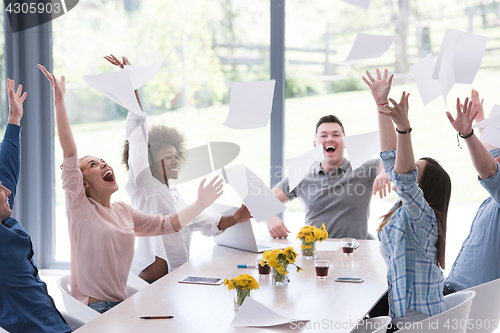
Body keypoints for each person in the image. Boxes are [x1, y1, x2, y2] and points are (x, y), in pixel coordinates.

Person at [38, 64, 224, 314]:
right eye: (93, 164)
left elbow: (166, 224)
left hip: (123, 304)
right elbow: (70, 152)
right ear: (82, 182)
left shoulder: (123, 211)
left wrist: (201, 203)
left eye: (103, 160)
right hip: (98, 309)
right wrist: (59, 101)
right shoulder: (79, 208)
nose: (103, 163)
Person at [104, 55, 251, 281]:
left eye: (176, 156)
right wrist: (132, 84)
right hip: (150, 281)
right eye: (167, 156)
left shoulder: (175, 196)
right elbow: (137, 132)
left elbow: (207, 223)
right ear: (152, 159)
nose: (175, 161)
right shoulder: (143, 184)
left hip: (176, 279)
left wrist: (237, 216)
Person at [364, 69, 451, 327]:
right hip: (406, 319)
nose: (408, 169)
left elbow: (402, 177)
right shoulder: (407, 210)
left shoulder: (424, 217)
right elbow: (392, 159)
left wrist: (404, 128)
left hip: (417, 326)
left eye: (416, 171)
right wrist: (380, 105)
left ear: (426, 188)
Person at [0, 79, 71, 333]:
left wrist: (14, 119)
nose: (6, 189)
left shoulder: (4, 218)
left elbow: (7, 168)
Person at [265, 116, 391, 239]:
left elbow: (389, 161)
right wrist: (269, 217)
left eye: (336, 135)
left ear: (345, 142)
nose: (330, 139)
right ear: (315, 144)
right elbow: (262, 201)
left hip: (352, 253)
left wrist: (385, 172)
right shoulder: (301, 175)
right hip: (314, 252)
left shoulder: (362, 169)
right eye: (324, 135)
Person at [444, 90, 500, 294]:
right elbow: (492, 157)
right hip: (454, 290)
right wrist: (481, 119)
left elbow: (489, 169)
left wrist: (468, 135)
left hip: (466, 300)